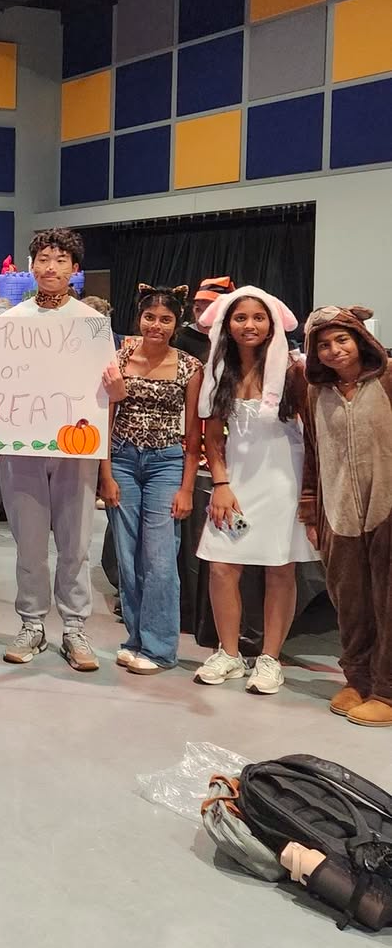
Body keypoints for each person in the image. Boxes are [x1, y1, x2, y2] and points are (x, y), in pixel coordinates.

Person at [0, 228, 125, 673]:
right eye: (43, 259)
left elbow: (109, 393)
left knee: (75, 544)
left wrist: (117, 389)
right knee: (29, 545)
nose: (50, 267)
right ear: (31, 266)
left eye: (60, 260)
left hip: (77, 446)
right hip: (22, 448)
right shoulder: (10, 322)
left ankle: (74, 627)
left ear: (74, 268)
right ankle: (32, 624)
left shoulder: (91, 325)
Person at [193, 286, 316, 694]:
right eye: (240, 317)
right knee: (221, 566)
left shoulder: (294, 370)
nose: (250, 325)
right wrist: (221, 484)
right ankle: (229, 654)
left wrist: (310, 493)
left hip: (283, 480)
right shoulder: (216, 369)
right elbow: (212, 436)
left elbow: (312, 432)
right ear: (227, 323)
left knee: (280, 569)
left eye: (258, 317)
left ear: (272, 324)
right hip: (235, 483)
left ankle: (270, 658)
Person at [98, 285, 203, 674]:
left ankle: (160, 648)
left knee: (159, 558)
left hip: (166, 463)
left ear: (177, 324)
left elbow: (194, 434)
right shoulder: (120, 357)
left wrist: (187, 487)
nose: (156, 325)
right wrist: (105, 474)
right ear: (139, 318)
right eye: (149, 317)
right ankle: (135, 639)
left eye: (165, 319)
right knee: (127, 556)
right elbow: (105, 417)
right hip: (123, 459)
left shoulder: (190, 367)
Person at [300, 306, 392, 726]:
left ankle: (387, 690)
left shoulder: (388, 379)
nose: (334, 350)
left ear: (361, 340)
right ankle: (358, 678)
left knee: (387, 599)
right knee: (350, 600)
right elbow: (312, 452)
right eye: (323, 344)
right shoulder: (315, 392)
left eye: (342, 340)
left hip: (386, 508)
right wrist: (310, 509)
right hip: (338, 511)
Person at [175, 277, 235, 364]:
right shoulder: (180, 337)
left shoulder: (232, 339)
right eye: (198, 309)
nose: (202, 317)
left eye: (209, 311)